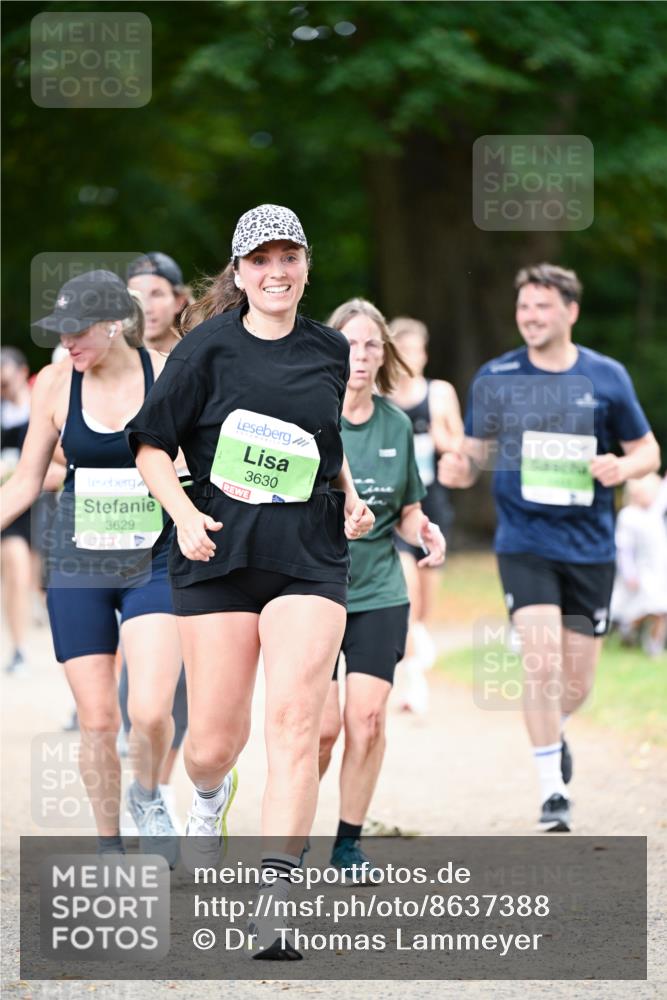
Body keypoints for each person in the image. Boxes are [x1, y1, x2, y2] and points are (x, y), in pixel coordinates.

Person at [125, 204, 374, 960]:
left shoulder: (329, 348)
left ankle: (274, 905)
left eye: (288, 258)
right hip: (217, 558)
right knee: (213, 742)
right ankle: (205, 795)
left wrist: (352, 494)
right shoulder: (205, 349)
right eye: (260, 261)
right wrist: (183, 517)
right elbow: (150, 445)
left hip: (308, 555)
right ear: (239, 272)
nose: (276, 273)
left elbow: (320, 443)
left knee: (295, 723)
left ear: (305, 264)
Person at [439, 263, 660, 832]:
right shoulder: (496, 376)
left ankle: (553, 734)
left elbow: (647, 452)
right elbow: (471, 456)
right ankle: (551, 791)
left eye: (542, 307)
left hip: (590, 547)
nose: (531, 317)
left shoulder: (606, 377)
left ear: (570, 311)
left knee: (576, 683)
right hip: (524, 541)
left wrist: (621, 464)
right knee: (539, 665)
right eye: (524, 308)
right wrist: (457, 468)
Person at [0, 270, 184, 862]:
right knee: (99, 719)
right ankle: (110, 845)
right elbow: (27, 479)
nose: (68, 343)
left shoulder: (167, 374)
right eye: (62, 333)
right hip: (77, 566)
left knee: (151, 711)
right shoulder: (56, 383)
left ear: (114, 324)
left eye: (78, 332)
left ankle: (150, 793)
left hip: (153, 562)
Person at [317, 299, 445, 880]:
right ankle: (287, 834)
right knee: (320, 730)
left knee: (365, 721)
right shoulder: (306, 414)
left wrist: (425, 531)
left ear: (385, 353)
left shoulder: (396, 422)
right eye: (350, 342)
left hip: (378, 593)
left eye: (372, 344)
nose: (361, 355)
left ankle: (347, 845)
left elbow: (408, 511)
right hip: (312, 592)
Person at [389, 317, 464, 713]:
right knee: (406, 598)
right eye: (401, 350)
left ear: (424, 354)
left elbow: (461, 448)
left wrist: (444, 441)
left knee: (423, 609)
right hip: (395, 511)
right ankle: (412, 682)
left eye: (415, 350)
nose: (409, 358)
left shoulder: (439, 394)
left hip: (433, 507)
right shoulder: (381, 396)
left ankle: (415, 674)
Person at [1, 347, 64, 674]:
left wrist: (49, 476)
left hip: (46, 500)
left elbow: (62, 461)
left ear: (22, 372)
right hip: (13, 500)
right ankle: (20, 647)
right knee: (15, 564)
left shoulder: (45, 402)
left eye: (6, 382)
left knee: (42, 576)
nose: (3, 390)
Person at [610, 473, 667, 656]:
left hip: (659, 569)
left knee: (662, 610)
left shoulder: (654, 511)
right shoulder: (628, 515)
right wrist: (629, 573)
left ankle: (654, 646)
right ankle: (628, 625)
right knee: (652, 607)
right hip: (641, 571)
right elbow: (624, 549)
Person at [126, 252, 191, 355]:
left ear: (179, 302)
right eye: (136, 296)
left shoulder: (197, 355)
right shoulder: (114, 361)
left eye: (156, 295)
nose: (146, 309)